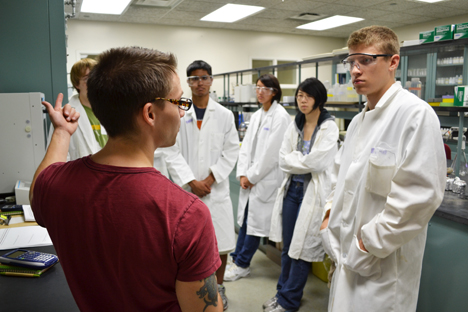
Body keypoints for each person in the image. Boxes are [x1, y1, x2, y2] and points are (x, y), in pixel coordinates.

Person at [30, 47, 223, 312]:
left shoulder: (56, 186)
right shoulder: (185, 214)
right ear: (150, 114)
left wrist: (62, 133)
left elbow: (38, 187)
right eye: (178, 102)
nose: (182, 112)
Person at [320, 26, 446, 312]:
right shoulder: (358, 122)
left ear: (393, 62)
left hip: (381, 268)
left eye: (365, 60)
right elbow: (337, 177)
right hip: (344, 259)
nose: (355, 70)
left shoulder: (415, 115)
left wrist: (366, 245)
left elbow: (419, 198)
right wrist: (329, 216)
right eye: (351, 62)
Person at [164, 60, 240, 310]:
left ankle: (218, 289)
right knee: (187, 245)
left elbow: (230, 152)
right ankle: (190, 292)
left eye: (205, 78)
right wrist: (191, 181)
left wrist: (209, 179)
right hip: (186, 190)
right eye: (194, 79)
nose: (200, 83)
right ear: (187, 83)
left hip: (215, 190)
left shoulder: (225, 115)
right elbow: (171, 150)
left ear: (211, 80)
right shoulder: (178, 110)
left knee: (222, 243)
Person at [264, 78, 339, 312]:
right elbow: (282, 158)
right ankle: (281, 293)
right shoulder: (294, 123)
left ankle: (289, 301)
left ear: (319, 99)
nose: (302, 100)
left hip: (312, 194)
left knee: (301, 249)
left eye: (307, 96)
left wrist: (296, 161)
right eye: (299, 95)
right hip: (291, 192)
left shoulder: (329, 126)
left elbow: (317, 162)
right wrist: (301, 162)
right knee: (287, 247)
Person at [225, 74, 291, 282]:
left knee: (254, 225)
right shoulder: (256, 115)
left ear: (275, 92)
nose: (260, 92)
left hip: (265, 180)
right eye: (258, 88)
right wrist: (243, 173)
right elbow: (245, 148)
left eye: (266, 88)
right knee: (246, 220)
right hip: (252, 179)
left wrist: (252, 176)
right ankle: (237, 259)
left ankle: (242, 264)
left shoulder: (280, 116)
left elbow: (270, 155)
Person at [47, 58, 107, 160]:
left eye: (97, 77)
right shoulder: (64, 115)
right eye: (87, 79)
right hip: (82, 174)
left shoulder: (112, 111)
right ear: (76, 84)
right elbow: (56, 159)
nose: (94, 83)